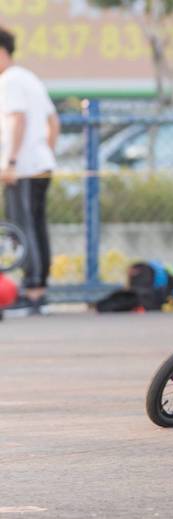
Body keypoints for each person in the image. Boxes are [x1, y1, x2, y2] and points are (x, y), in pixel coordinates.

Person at [0, 26, 59, 314]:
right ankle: (39, 289)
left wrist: (10, 162)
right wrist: (45, 151)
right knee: (36, 227)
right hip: (40, 164)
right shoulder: (29, 77)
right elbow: (53, 122)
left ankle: (33, 292)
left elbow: (17, 121)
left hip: (22, 168)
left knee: (23, 229)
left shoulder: (9, 80)